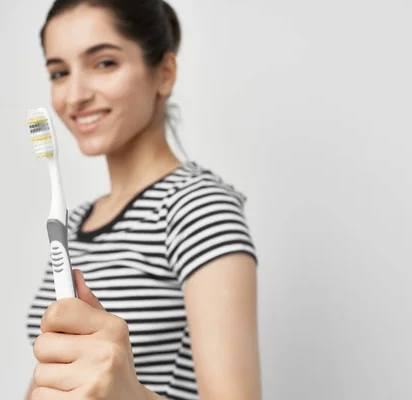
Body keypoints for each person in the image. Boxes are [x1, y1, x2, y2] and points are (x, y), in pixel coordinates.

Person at [25, 1, 261, 399]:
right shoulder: (76, 223)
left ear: (164, 74)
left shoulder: (198, 208)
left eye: (103, 63)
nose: (76, 95)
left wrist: (127, 393)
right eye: (60, 72)